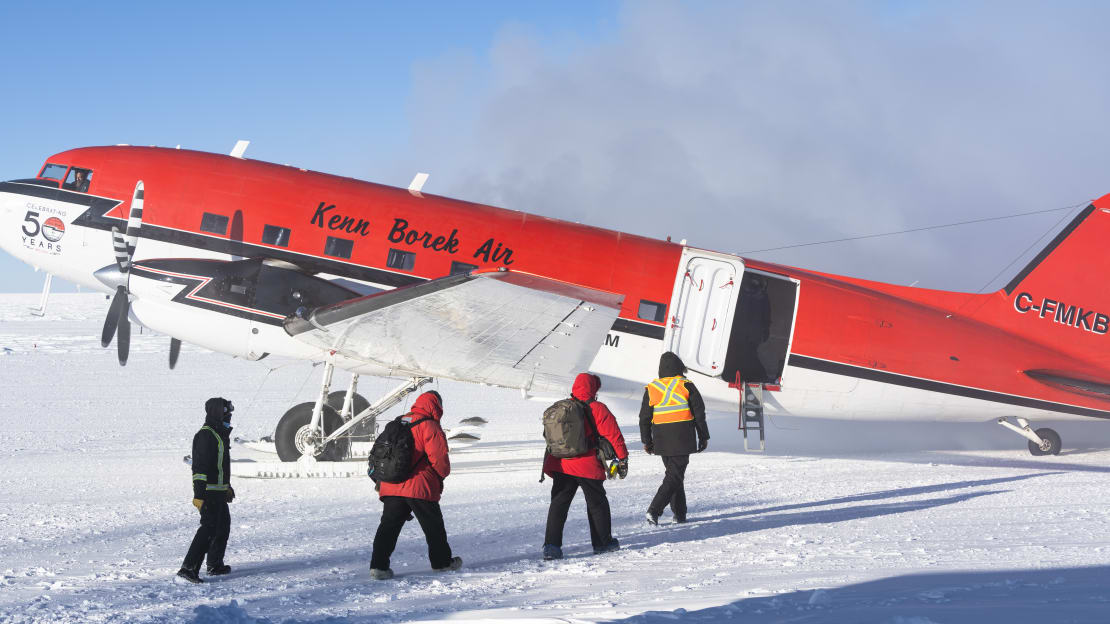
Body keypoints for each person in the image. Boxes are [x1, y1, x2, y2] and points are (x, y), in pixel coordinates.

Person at [370, 391, 461, 579]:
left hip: (391, 484)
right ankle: (442, 563)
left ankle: (378, 567)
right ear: (436, 406)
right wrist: (441, 476)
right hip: (420, 486)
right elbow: (439, 459)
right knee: (433, 526)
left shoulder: (397, 422)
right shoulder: (430, 426)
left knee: (388, 527)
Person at [542, 373, 629, 560]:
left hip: (560, 464)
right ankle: (602, 543)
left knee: (558, 505)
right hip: (586, 464)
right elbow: (614, 435)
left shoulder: (560, 407)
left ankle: (551, 547)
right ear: (593, 389)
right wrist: (622, 459)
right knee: (597, 504)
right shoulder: (597, 408)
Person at [640, 352, 709, 525]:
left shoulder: (652, 388)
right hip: (682, 438)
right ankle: (654, 510)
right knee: (674, 477)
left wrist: (647, 441)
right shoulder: (686, 385)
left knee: (675, 476)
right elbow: (699, 413)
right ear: (679, 367)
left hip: (662, 439)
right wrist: (703, 436)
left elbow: (644, 418)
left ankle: (680, 514)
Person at [177, 397, 236, 584]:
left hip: (218, 492)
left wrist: (227, 487)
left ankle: (214, 565)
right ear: (217, 413)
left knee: (222, 526)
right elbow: (200, 468)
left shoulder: (220, 435)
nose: (229, 418)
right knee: (208, 529)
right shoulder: (205, 435)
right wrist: (199, 495)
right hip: (207, 493)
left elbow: (222, 466)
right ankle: (188, 569)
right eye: (227, 414)